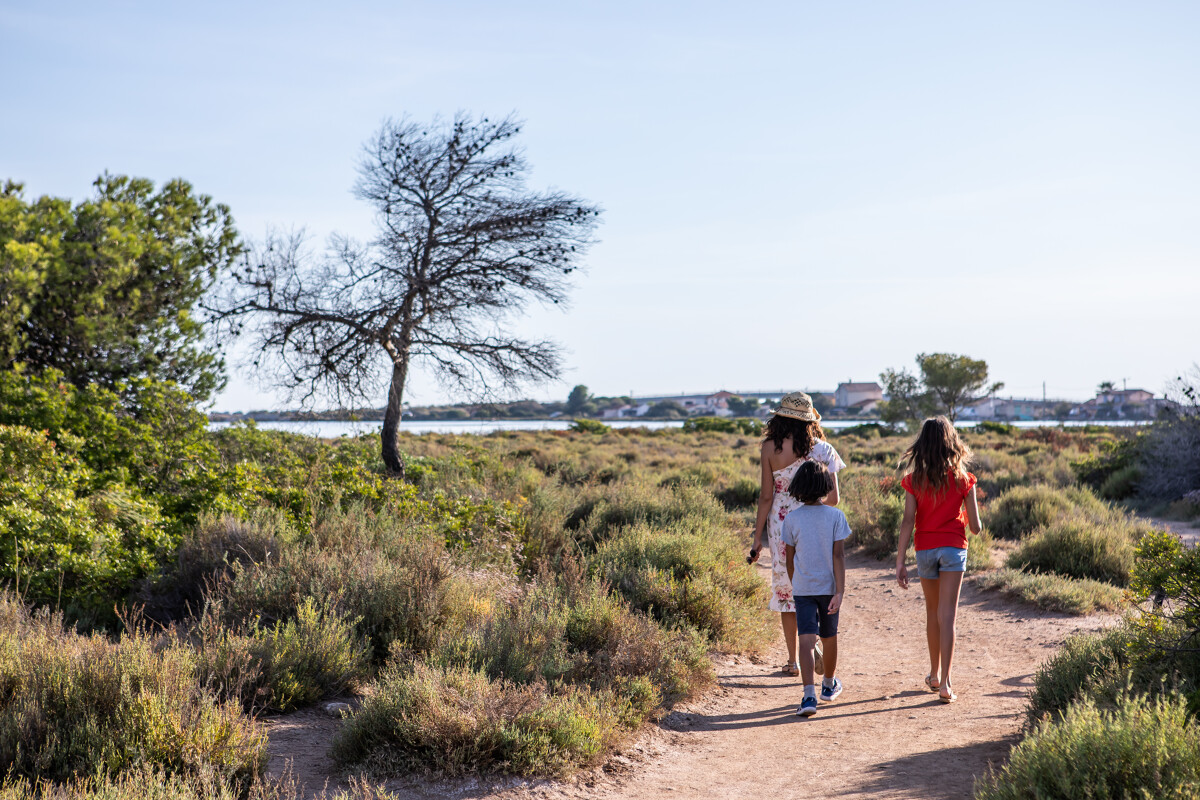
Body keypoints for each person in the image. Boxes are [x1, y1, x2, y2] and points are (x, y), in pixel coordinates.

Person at [748, 391, 846, 676]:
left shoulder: (770, 448)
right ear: (809, 420)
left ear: (779, 417)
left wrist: (757, 538)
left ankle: (793, 660)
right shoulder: (824, 450)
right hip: (818, 525)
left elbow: (766, 497)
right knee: (816, 585)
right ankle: (814, 640)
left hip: (782, 526)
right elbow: (834, 498)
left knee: (787, 592)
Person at [894, 416, 982, 704]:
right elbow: (976, 527)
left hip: (925, 550)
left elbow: (908, 521)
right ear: (951, 443)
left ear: (923, 445)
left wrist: (899, 561)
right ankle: (945, 683)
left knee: (933, 613)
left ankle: (933, 674)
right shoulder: (963, 479)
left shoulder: (913, 481)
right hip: (953, 549)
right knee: (948, 617)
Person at [781, 460, 850, 716]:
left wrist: (797, 582)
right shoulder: (836, 516)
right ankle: (828, 686)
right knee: (829, 637)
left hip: (803, 589)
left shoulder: (792, 519)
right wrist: (839, 592)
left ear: (799, 486)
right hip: (829, 589)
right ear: (826, 486)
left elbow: (790, 560)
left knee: (807, 640)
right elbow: (839, 557)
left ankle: (808, 697)